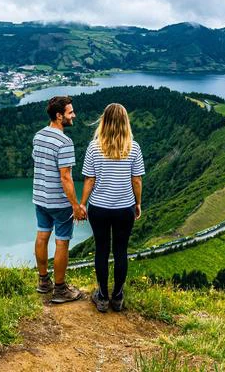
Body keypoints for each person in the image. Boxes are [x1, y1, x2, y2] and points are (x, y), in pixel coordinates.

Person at [81, 103, 144, 312]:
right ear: (126, 122)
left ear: (104, 121)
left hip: (98, 208)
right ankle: (117, 297)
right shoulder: (134, 147)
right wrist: (137, 203)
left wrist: (82, 204)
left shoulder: (94, 147)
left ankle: (102, 297)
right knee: (120, 251)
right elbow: (137, 180)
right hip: (124, 208)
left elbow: (89, 180)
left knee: (101, 249)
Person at [31, 95, 86, 303]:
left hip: (40, 197)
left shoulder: (38, 136)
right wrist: (75, 205)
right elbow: (66, 177)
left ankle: (43, 281)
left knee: (42, 235)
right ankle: (61, 289)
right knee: (62, 241)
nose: (74, 115)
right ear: (59, 115)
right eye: (70, 112)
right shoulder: (65, 142)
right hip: (59, 202)